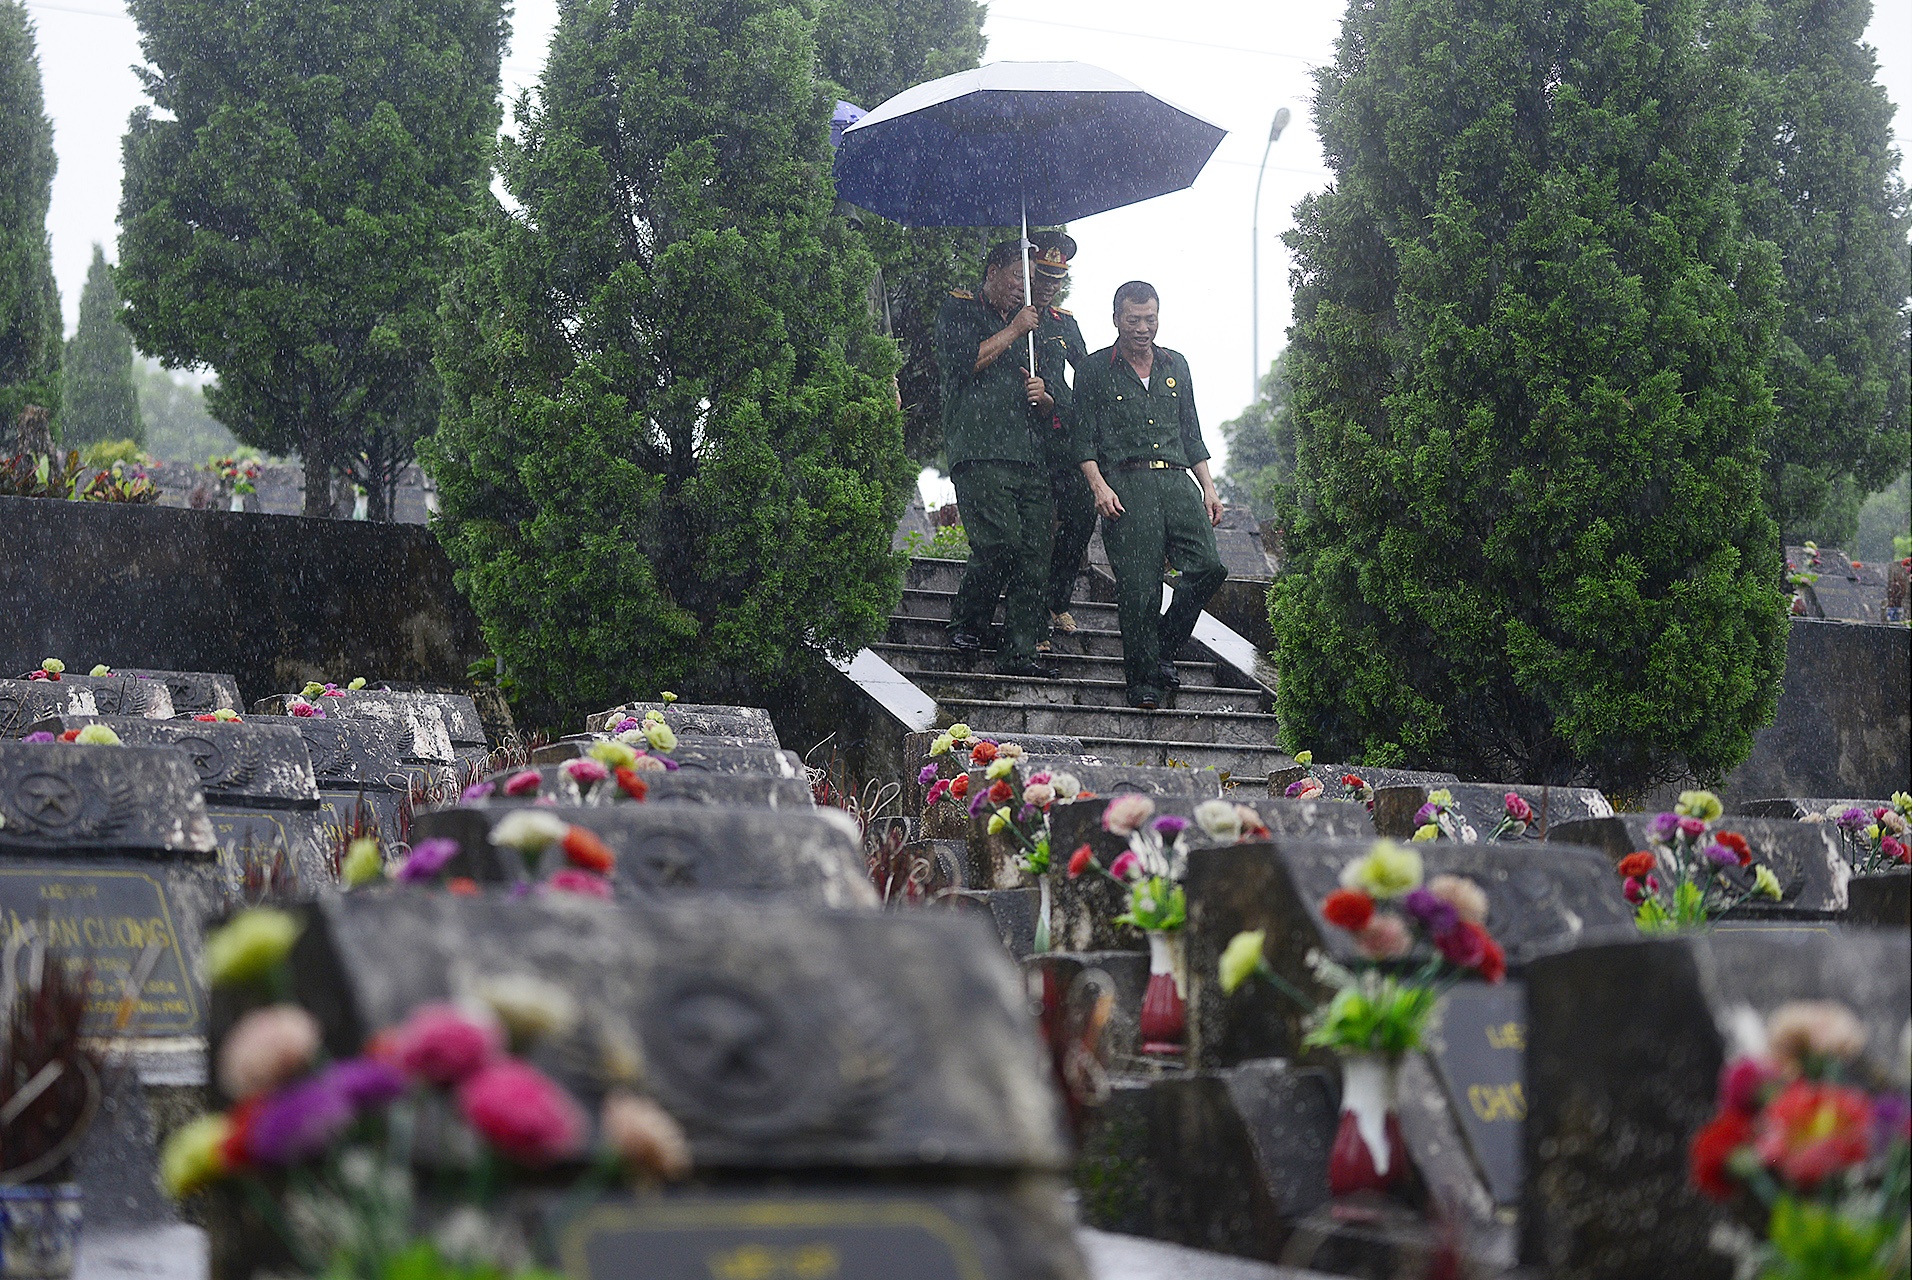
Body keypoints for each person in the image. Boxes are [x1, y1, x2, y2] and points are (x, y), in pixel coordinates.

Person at [1073, 281, 1227, 709]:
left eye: (1150, 319)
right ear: (1117, 319)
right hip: (1127, 484)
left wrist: (1208, 488)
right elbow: (1081, 439)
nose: (1143, 328)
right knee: (1139, 589)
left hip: (1177, 480)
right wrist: (1098, 485)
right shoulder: (1093, 369)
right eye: (1133, 319)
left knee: (1208, 567)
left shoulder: (1176, 363)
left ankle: (1161, 646)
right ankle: (1142, 681)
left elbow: (1190, 432)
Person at [933, 240, 1060, 679]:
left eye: (1029, 281)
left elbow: (1055, 399)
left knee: (1035, 554)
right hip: (981, 450)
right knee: (1000, 541)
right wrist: (1014, 331)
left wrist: (1044, 397)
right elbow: (964, 361)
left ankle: (1021, 651)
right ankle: (968, 622)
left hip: (1029, 455)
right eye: (1015, 278)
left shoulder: (1038, 326)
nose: (1022, 289)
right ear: (991, 272)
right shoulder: (959, 308)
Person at [1026, 231, 1093, 647]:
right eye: (1043, 277)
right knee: (1033, 523)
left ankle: (1057, 598)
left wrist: (1059, 406)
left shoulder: (1063, 323)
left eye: (1056, 279)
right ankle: (1029, 611)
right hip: (1021, 434)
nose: (1049, 286)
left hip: (1059, 431)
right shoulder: (1012, 317)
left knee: (1082, 510)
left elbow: (1085, 377)